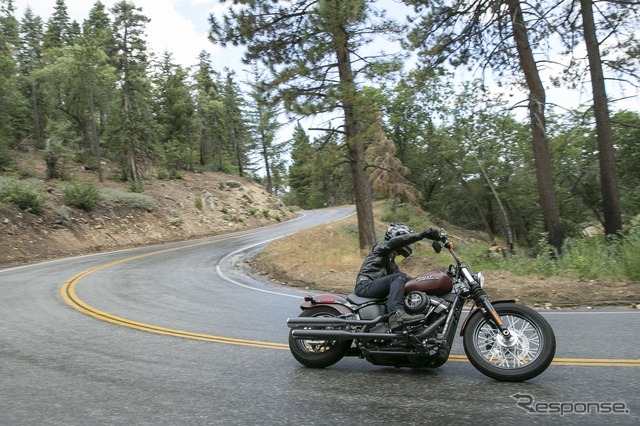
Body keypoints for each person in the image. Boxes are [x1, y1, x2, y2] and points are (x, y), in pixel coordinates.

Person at [354, 223, 444, 331]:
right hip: (365, 285)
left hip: (373, 286)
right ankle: (396, 315)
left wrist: (423, 282)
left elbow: (405, 281)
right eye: (405, 239)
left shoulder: (390, 261)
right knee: (399, 277)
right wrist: (422, 235)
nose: (408, 244)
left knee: (402, 278)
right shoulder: (381, 247)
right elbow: (395, 243)